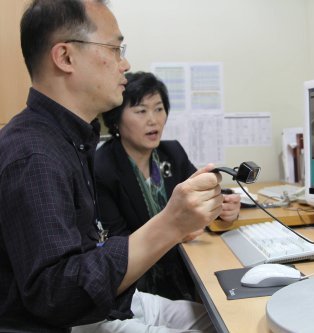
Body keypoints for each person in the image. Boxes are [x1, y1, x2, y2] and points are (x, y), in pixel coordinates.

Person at [0, 0, 219, 332]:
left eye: (158, 109)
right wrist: (170, 224)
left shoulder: (72, 138)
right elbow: (56, 296)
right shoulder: (34, 154)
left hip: (105, 299)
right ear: (65, 57)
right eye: (115, 49)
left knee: (219, 317)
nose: (125, 64)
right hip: (68, 319)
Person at [95, 71, 241, 301]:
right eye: (141, 111)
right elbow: (117, 245)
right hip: (137, 288)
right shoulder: (103, 168)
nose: (153, 120)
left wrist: (225, 208)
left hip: (184, 270)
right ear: (116, 119)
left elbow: (202, 197)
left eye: (159, 108)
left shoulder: (172, 152)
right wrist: (176, 231)